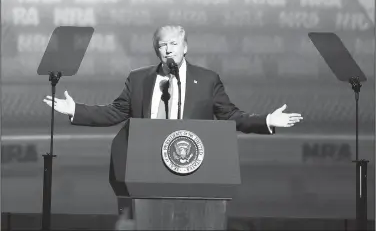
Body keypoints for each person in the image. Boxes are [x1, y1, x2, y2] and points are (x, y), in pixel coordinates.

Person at [43, 25, 303, 220]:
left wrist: (267, 120)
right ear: (157, 50)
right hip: (142, 172)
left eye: (174, 44)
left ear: (185, 47)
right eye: (162, 45)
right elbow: (115, 112)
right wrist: (75, 110)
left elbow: (231, 116)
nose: (168, 49)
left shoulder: (208, 80)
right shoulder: (139, 79)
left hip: (194, 174)